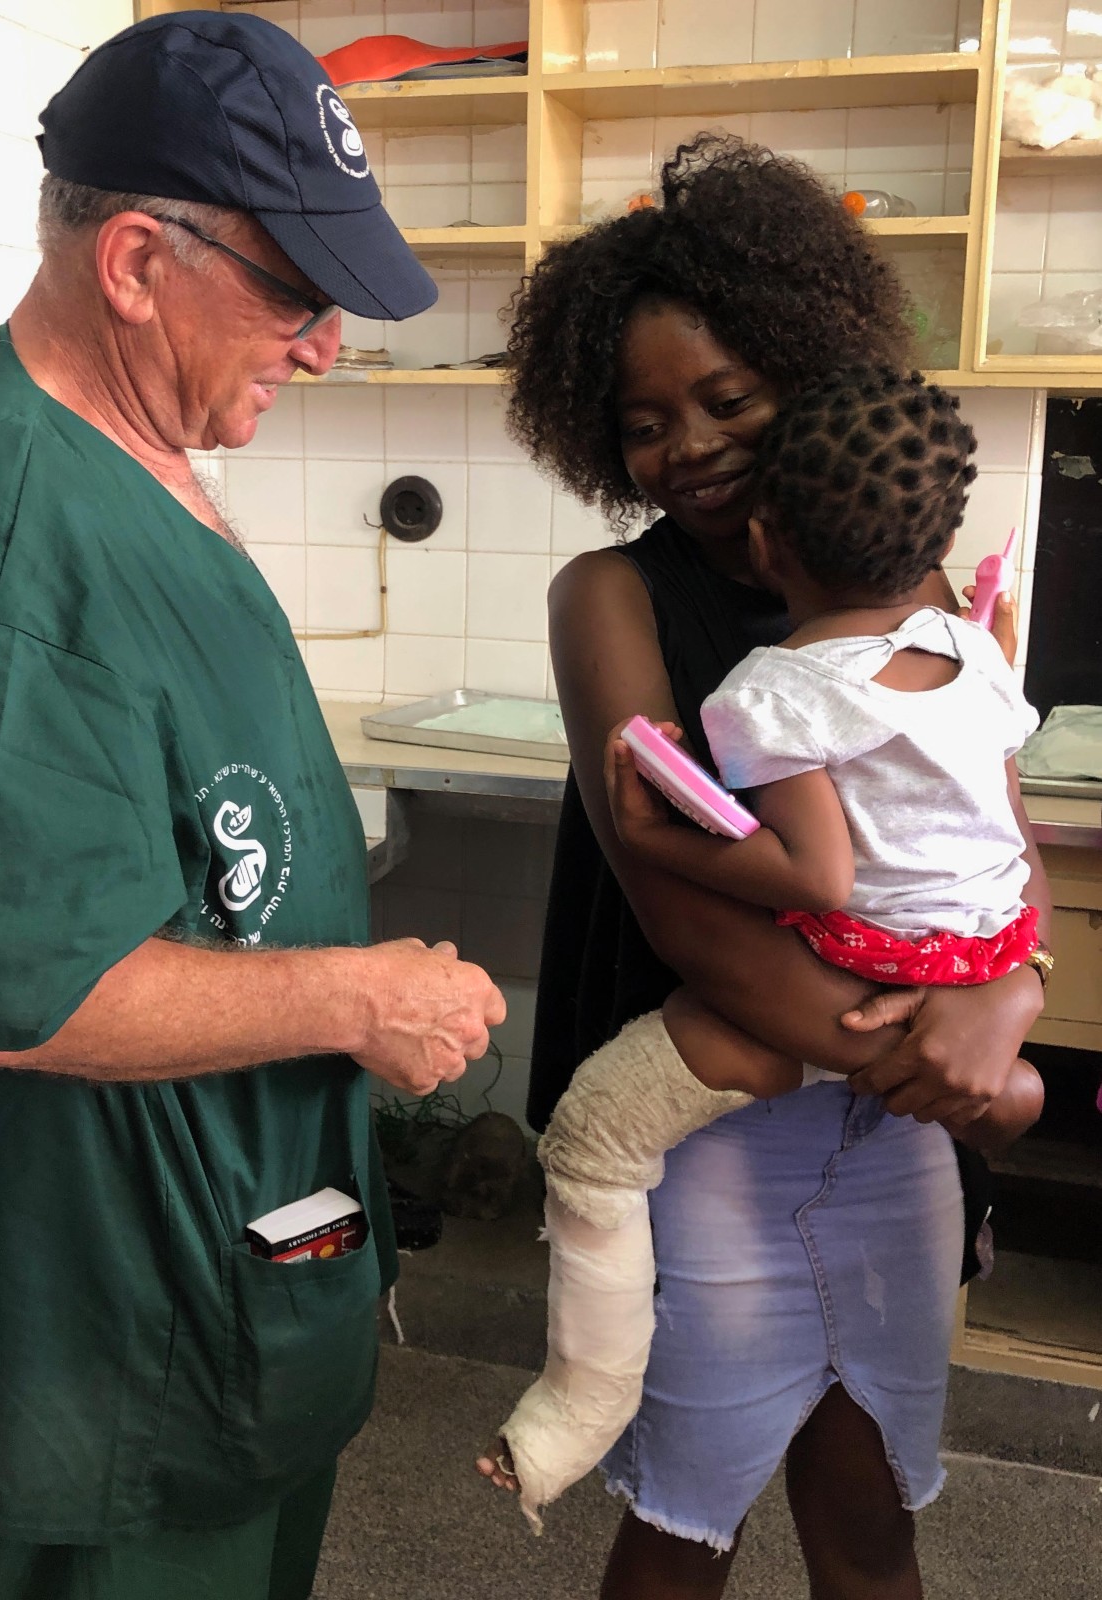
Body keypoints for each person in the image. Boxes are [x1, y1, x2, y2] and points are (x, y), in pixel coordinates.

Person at [0, 14, 504, 1600]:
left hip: (232, 1253)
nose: (324, 346)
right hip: (131, 1318)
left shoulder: (129, 449)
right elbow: (15, 997)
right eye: (294, 294)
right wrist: (359, 997)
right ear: (138, 262)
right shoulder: (11, 547)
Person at [476, 135, 1050, 1598]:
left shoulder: (909, 586)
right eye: (645, 423)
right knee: (688, 1521)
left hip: (894, 1122)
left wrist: (1010, 999)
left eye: (728, 399)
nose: (691, 446)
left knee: (869, 1516)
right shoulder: (610, 596)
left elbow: (991, 833)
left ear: (806, 366)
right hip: (711, 1119)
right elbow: (686, 913)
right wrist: (932, 1053)